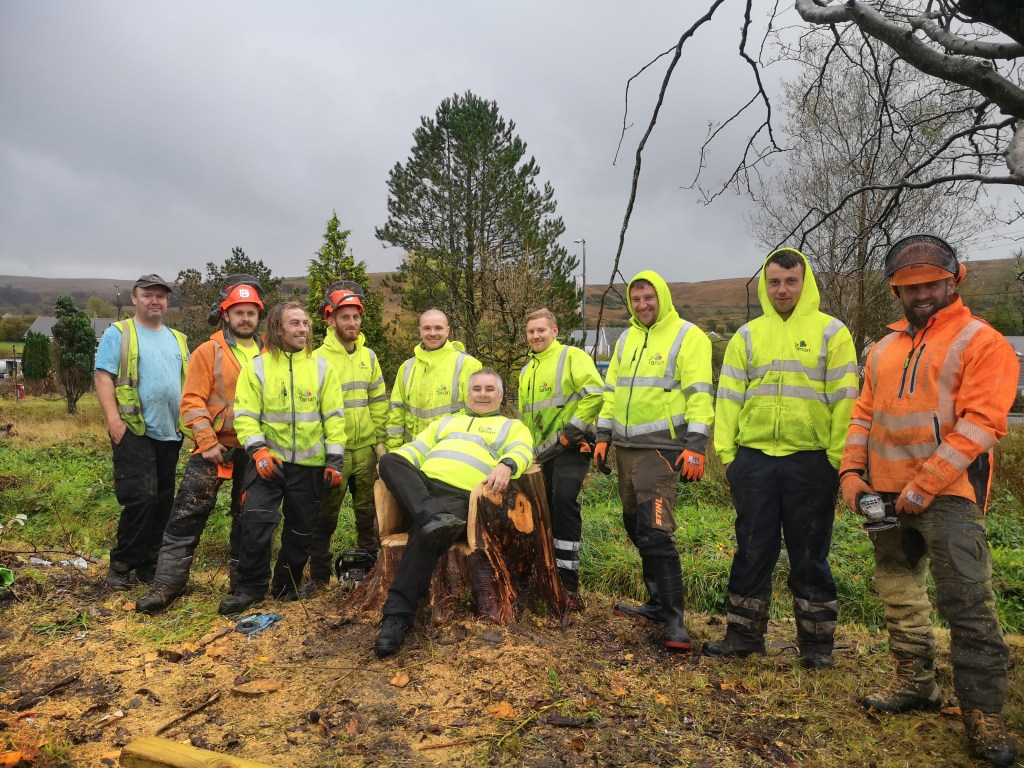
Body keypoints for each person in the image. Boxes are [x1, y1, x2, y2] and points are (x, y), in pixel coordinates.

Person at [839, 235, 1018, 767]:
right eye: (910, 286)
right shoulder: (882, 349)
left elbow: (983, 424)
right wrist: (851, 473)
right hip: (885, 495)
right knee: (899, 592)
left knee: (968, 606)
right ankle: (915, 682)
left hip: (951, 497)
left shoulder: (982, 341)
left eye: (931, 283)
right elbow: (863, 415)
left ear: (954, 279)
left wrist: (926, 483)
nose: (921, 294)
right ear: (896, 289)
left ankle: (985, 716)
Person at [703, 248, 858, 669]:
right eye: (774, 282)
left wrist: (836, 460)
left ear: (804, 282)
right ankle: (743, 635)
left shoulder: (832, 332)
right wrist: (729, 456)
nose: (782, 289)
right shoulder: (748, 335)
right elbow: (729, 397)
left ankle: (816, 645)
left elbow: (846, 400)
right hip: (753, 461)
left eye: (791, 281)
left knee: (810, 554)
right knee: (752, 550)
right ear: (764, 285)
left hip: (811, 463)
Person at [374, 369, 533, 656]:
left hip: (461, 496)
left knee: (428, 534)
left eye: (489, 389)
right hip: (422, 489)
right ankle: (432, 515)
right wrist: (394, 464)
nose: (482, 394)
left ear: (500, 395)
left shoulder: (511, 427)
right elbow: (416, 449)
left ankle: (396, 617)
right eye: (476, 389)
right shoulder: (447, 421)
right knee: (390, 460)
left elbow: (522, 450)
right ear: (467, 393)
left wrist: (506, 464)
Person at [596, 271, 713, 652]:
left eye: (649, 297)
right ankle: (656, 602)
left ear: (662, 296)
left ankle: (675, 620)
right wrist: (602, 435)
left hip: (661, 450)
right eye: (637, 299)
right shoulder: (627, 338)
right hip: (626, 448)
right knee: (634, 524)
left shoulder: (687, 336)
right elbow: (611, 391)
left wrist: (696, 444)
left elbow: (699, 394)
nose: (643, 304)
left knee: (656, 529)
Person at [135, 276, 266, 614]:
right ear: (226, 314)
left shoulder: (271, 353)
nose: (245, 318)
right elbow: (192, 401)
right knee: (188, 512)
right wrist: (206, 441)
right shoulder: (208, 352)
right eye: (239, 312)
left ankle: (242, 585)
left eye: (251, 312)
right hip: (214, 447)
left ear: (258, 315)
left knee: (248, 516)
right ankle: (166, 585)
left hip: (256, 449)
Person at [219, 302, 347, 615]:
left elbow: (334, 418)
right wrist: (258, 450)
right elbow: (246, 415)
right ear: (278, 328)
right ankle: (250, 587)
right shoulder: (258, 367)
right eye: (295, 323)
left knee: (302, 531)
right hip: (268, 462)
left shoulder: (321, 368)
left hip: (309, 467)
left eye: (306, 323)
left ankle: (286, 586)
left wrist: (334, 461)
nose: (303, 329)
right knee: (257, 520)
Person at [94, 274, 189, 590]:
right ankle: (121, 565)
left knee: (163, 500)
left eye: (161, 296)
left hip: (170, 432)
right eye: (148, 295)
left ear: (167, 301)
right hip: (134, 430)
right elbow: (103, 377)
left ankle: (150, 564)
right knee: (141, 498)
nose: (155, 300)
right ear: (134, 299)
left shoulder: (178, 338)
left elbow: (186, 384)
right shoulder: (119, 333)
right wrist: (114, 422)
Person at [518, 307, 603, 597]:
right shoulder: (526, 370)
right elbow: (525, 417)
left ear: (554, 331)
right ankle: (544, 570)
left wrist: (569, 433)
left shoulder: (572, 357)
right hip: (540, 454)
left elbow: (595, 395)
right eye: (531, 331)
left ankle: (567, 580)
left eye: (541, 330)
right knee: (541, 509)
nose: (536, 336)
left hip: (571, 445)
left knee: (564, 501)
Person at [307, 285, 388, 591]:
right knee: (325, 513)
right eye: (345, 318)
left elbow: (379, 402)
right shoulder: (317, 359)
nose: (352, 323)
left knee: (368, 512)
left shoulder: (369, 356)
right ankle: (318, 575)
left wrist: (380, 445)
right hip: (335, 452)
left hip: (366, 448)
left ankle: (368, 567)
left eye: (356, 317)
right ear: (331, 320)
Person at [385, 309, 481, 450]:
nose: (432, 333)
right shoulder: (406, 368)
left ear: (447, 331)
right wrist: (394, 452)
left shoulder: (468, 365)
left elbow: (478, 416)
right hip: (412, 455)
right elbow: (396, 413)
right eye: (427, 328)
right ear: (420, 331)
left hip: (450, 456)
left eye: (438, 328)